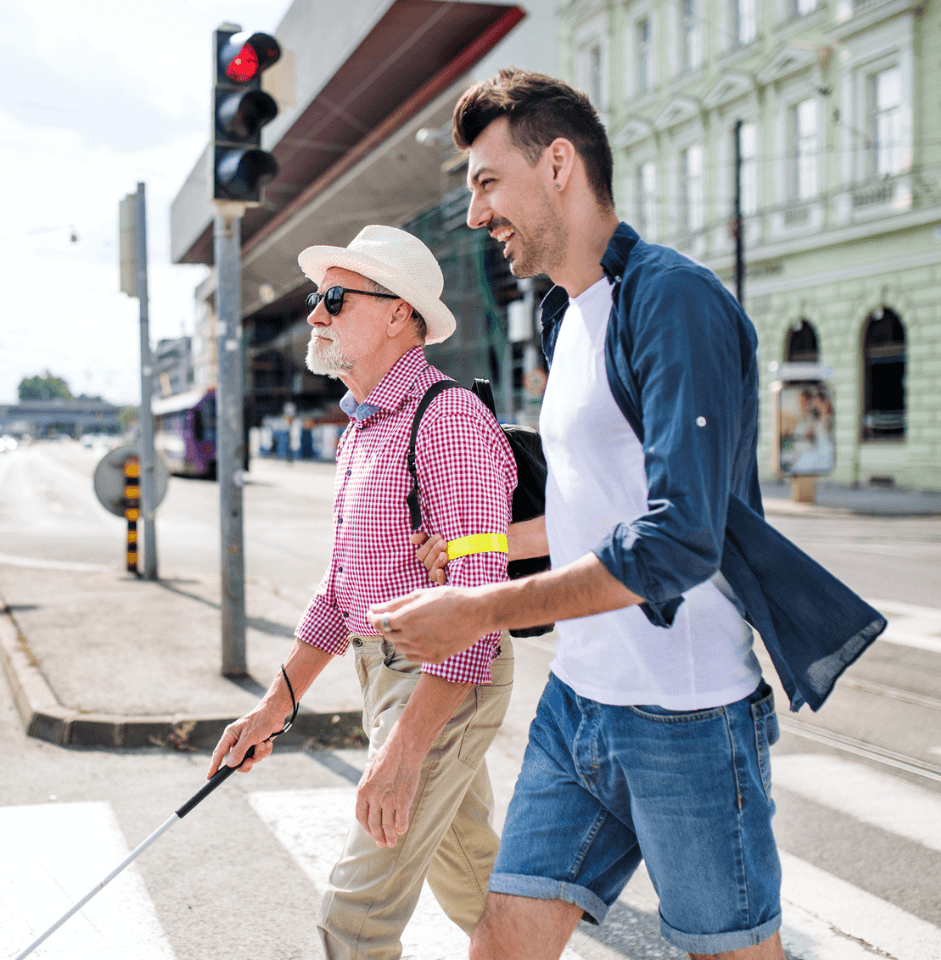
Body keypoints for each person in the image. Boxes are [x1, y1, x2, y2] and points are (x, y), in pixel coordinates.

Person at [368, 70, 884, 960]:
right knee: (498, 947)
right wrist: (477, 551)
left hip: (687, 717)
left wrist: (481, 609)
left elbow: (677, 539)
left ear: (558, 163)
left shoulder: (675, 301)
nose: (476, 213)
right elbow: (590, 510)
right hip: (581, 707)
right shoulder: (565, 315)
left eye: (489, 183)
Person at [207, 224, 518, 959]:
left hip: (443, 681)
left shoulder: (448, 421)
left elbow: (477, 605)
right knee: (477, 885)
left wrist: (406, 750)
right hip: (387, 674)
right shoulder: (364, 431)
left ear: (398, 313)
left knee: (355, 917)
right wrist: (274, 706)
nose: (315, 314)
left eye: (335, 298)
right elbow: (341, 589)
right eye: (319, 298)